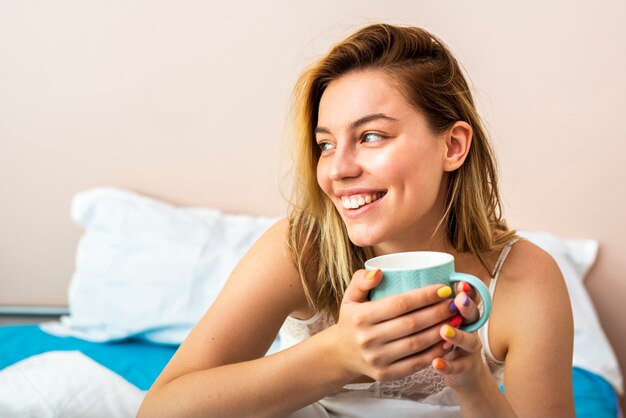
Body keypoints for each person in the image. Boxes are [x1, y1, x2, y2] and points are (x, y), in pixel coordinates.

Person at [138, 23, 574, 417]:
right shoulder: (300, 249)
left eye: (371, 136)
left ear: (453, 147)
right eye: (326, 145)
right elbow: (159, 410)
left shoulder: (525, 279)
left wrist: (473, 383)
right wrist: (336, 355)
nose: (337, 169)